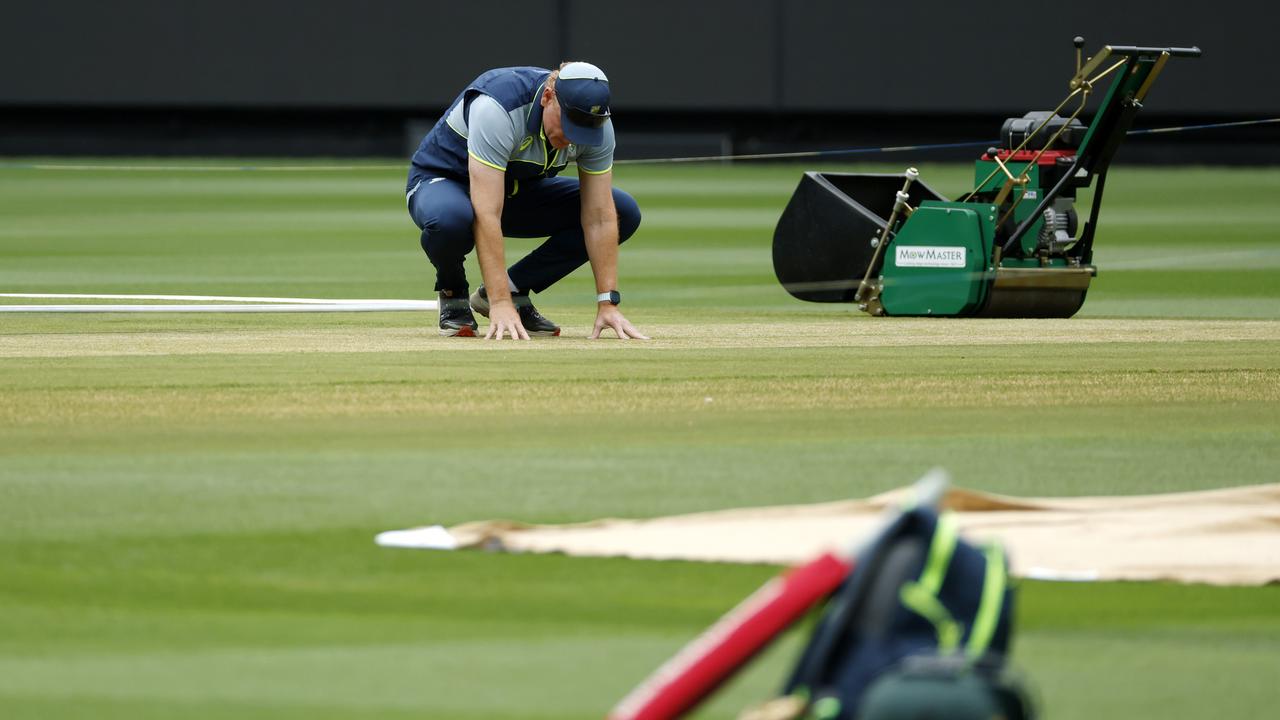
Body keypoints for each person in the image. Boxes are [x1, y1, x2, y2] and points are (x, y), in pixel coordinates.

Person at [405, 61, 647, 340]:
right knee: (450, 219)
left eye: (583, 130)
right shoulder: (497, 108)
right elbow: (487, 212)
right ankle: (453, 292)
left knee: (621, 212)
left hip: (516, 190)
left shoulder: (598, 127)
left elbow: (600, 215)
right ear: (547, 97)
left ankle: (514, 287)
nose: (571, 139)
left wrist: (608, 303)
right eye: (568, 124)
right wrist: (500, 304)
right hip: (446, 183)